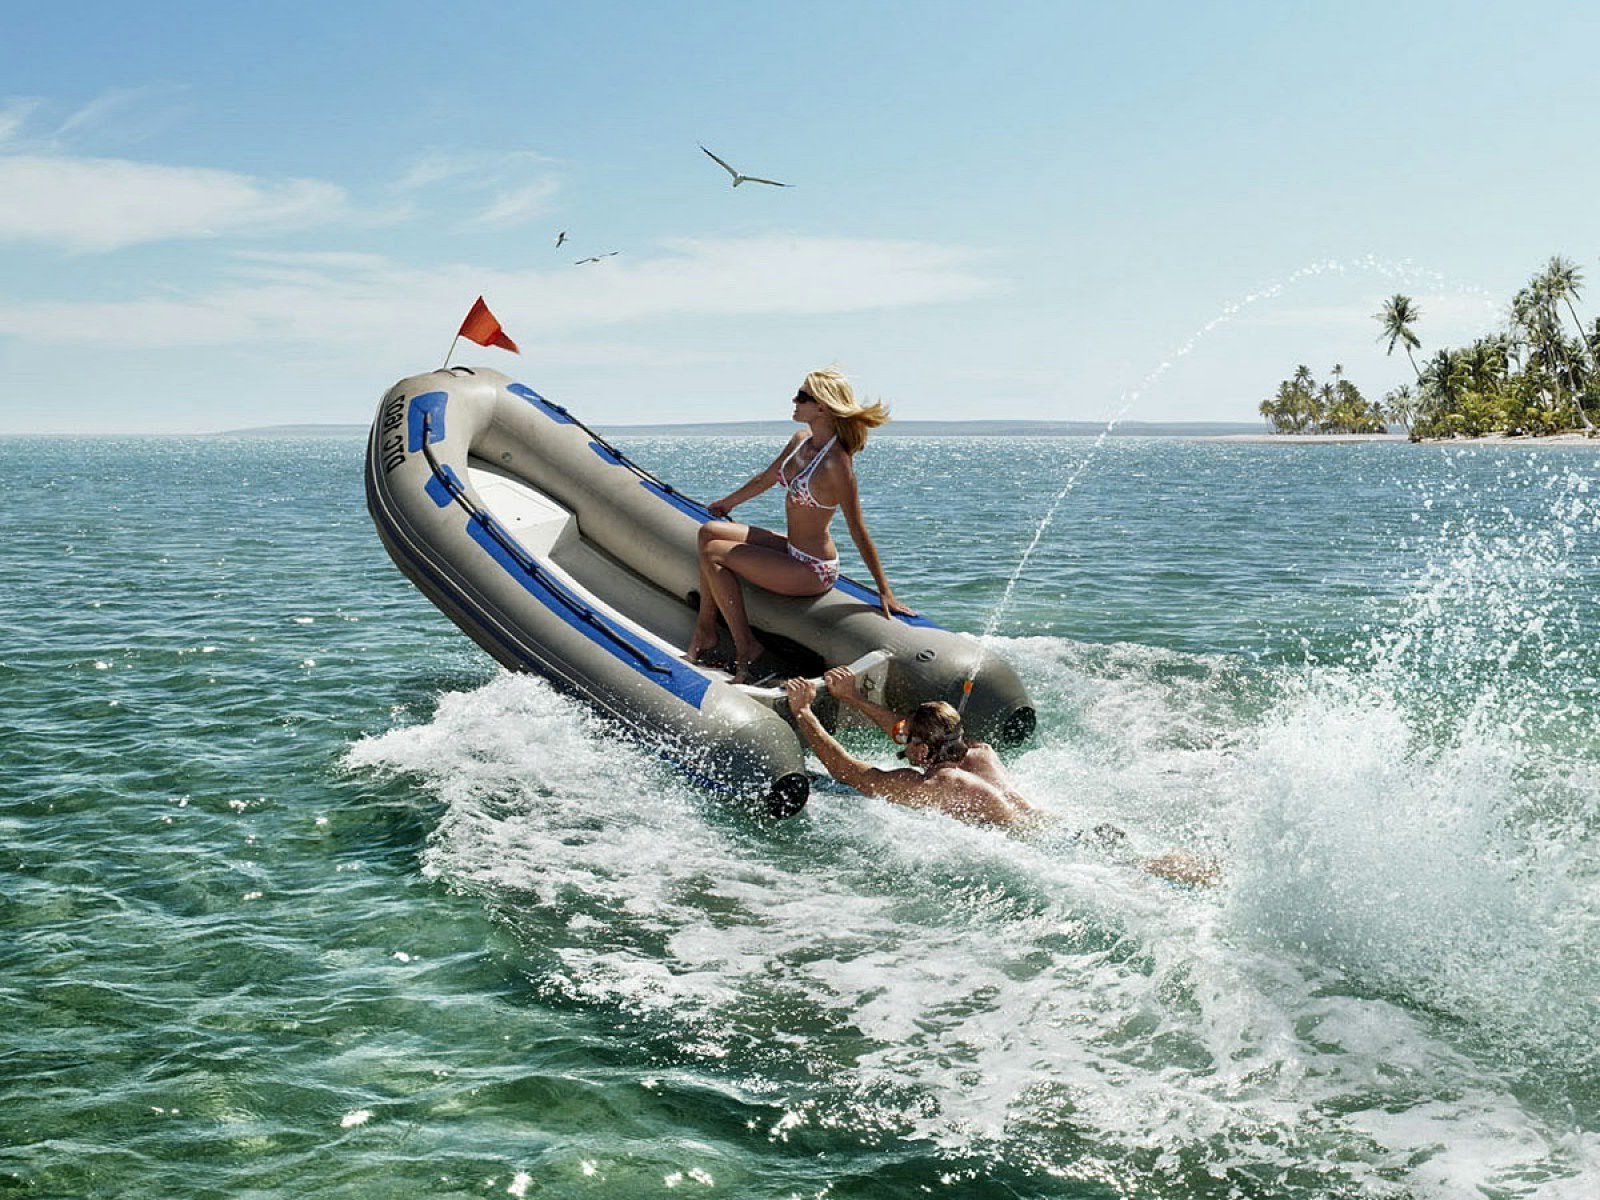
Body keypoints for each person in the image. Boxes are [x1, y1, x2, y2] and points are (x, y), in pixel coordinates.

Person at [788, 667, 1222, 885]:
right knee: (1146, 862)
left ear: (920, 750)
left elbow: (848, 771)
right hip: (1068, 830)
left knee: (1138, 874)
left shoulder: (938, 786)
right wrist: (853, 699)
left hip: (1052, 851)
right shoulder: (980, 751)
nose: (903, 747)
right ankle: (1211, 871)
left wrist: (805, 711)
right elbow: (911, 731)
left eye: (910, 746)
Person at [686, 368, 914, 682]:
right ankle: (707, 629)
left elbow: (857, 528)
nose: (795, 400)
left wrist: (884, 591)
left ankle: (745, 648)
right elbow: (766, 479)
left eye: (803, 396)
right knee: (708, 532)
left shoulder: (837, 464)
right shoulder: (800, 441)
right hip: (793, 548)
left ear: (822, 407)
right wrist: (728, 503)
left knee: (714, 553)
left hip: (813, 568)